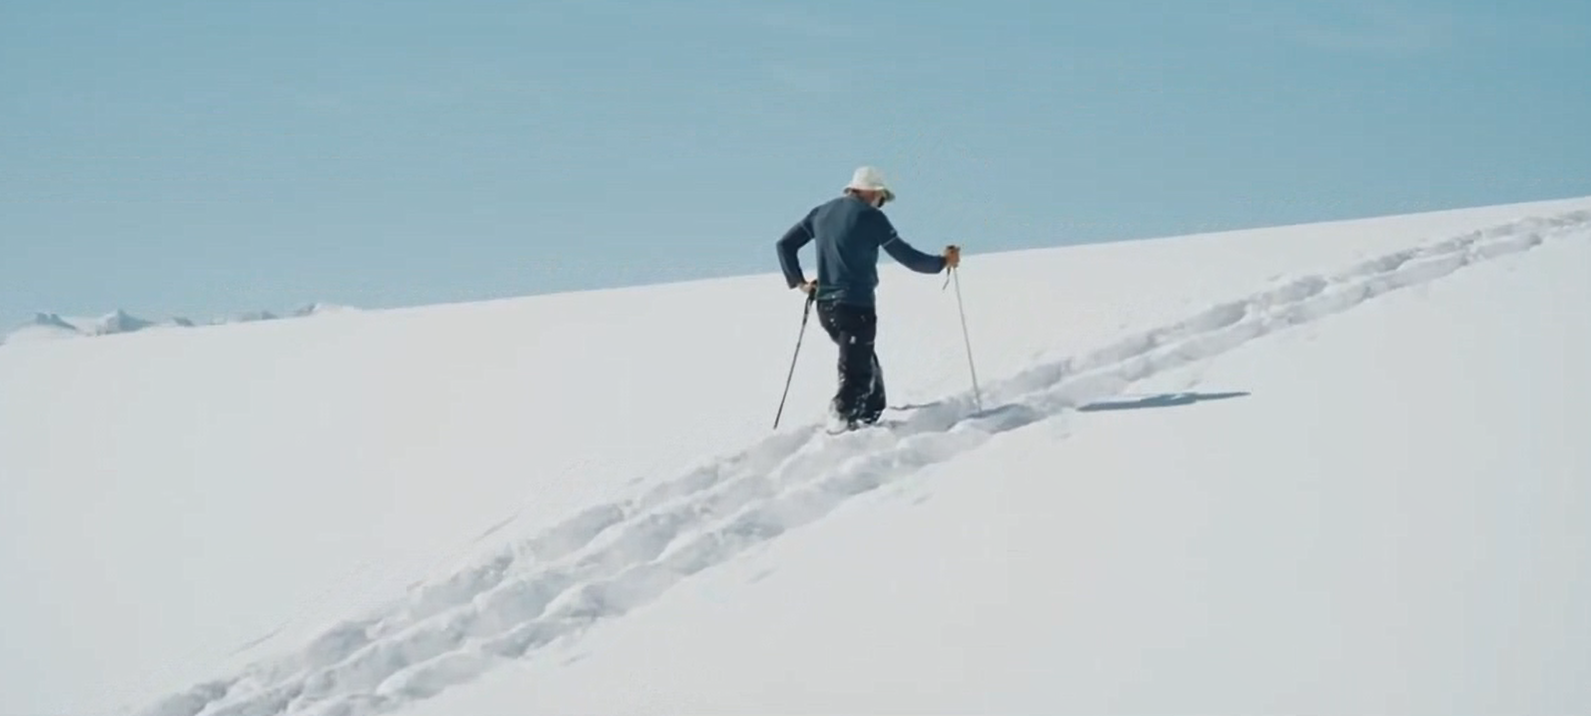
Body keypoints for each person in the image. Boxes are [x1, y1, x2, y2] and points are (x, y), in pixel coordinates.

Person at [775, 165, 961, 430]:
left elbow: (785, 245)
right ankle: (839, 427)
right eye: (881, 199)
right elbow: (908, 257)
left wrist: (800, 283)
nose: (880, 204)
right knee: (856, 379)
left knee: (867, 372)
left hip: (826, 309)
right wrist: (942, 262)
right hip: (855, 307)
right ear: (873, 192)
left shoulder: (821, 213)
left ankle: (869, 421)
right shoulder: (871, 218)